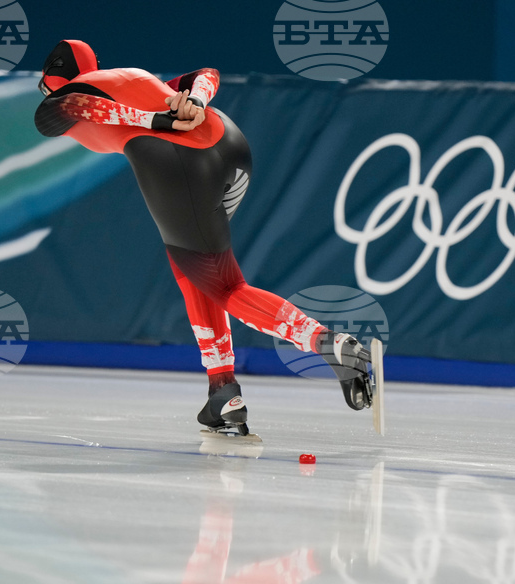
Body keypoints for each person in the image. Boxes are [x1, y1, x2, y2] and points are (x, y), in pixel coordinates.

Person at [34, 40, 372, 436]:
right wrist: (196, 99)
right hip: (229, 143)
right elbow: (206, 74)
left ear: (53, 77)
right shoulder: (129, 77)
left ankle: (328, 344)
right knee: (194, 272)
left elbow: (56, 112)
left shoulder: (76, 90)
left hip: (179, 161)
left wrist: (156, 122)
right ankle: (222, 391)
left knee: (225, 285)